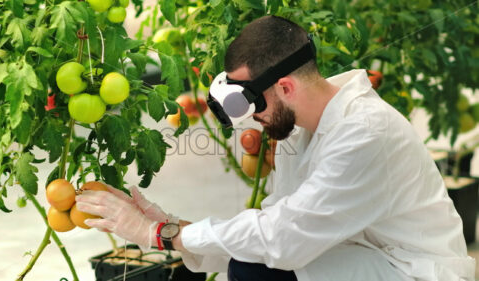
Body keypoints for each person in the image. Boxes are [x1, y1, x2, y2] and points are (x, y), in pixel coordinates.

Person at [76, 15, 476, 281]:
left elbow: (283, 239)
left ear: (285, 86)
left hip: (413, 271)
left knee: (257, 270)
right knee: (251, 263)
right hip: (361, 257)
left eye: (252, 104)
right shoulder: (300, 129)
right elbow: (273, 226)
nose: (252, 118)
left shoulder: (365, 133)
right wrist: (170, 225)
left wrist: (160, 234)